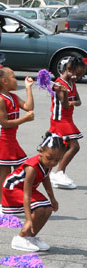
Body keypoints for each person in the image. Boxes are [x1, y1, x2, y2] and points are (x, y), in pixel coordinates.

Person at [0, 67, 34, 217]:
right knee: (5, 173)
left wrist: (28, 88)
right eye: (13, 77)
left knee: (19, 170)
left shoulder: (12, 96)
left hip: (11, 140)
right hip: (1, 140)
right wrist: (25, 119)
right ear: (4, 81)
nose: (16, 80)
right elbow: (4, 123)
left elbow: (28, 107)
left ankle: (8, 200)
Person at [2, 132, 64, 252]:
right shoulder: (31, 168)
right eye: (50, 158)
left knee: (48, 209)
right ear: (41, 151)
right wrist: (28, 219)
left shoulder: (47, 163)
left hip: (27, 189)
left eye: (57, 160)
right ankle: (20, 238)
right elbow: (26, 195)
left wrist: (53, 199)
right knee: (39, 209)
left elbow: (46, 179)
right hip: (13, 188)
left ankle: (30, 237)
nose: (52, 163)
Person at [48, 56, 85, 189]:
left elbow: (78, 101)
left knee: (64, 148)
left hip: (68, 119)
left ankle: (56, 173)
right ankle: (59, 172)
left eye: (82, 75)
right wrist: (65, 97)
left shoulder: (72, 83)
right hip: (60, 119)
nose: (80, 77)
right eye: (78, 74)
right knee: (75, 146)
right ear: (69, 70)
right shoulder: (59, 84)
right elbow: (64, 105)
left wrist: (73, 101)